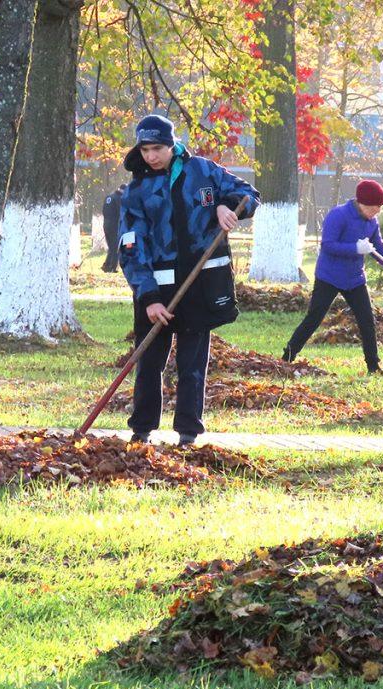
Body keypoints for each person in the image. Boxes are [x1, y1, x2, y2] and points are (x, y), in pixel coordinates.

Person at [119, 114, 260, 446]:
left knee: (193, 363)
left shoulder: (202, 171)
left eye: (157, 148)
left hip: (199, 285)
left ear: (172, 145)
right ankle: (141, 430)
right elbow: (130, 245)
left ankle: (187, 433)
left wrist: (225, 208)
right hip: (156, 289)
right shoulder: (137, 190)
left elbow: (247, 193)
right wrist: (149, 297)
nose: (150, 156)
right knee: (149, 362)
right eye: (145, 149)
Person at [281, 180, 383, 375]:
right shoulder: (338, 215)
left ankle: (373, 365)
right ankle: (288, 357)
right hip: (329, 276)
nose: (376, 214)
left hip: (355, 279)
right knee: (314, 318)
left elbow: (380, 249)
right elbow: (328, 245)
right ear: (363, 204)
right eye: (375, 209)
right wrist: (355, 248)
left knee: (367, 320)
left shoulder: (371, 222)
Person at [101, 183, 127, 272]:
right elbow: (121, 213)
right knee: (116, 247)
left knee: (111, 247)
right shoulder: (119, 198)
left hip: (106, 223)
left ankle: (107, 265)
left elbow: (104, 210)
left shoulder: (109, 197)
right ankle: (112, 267)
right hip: (114, 225)